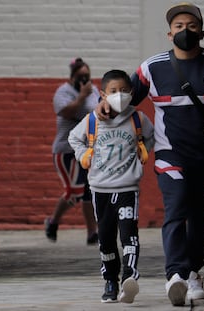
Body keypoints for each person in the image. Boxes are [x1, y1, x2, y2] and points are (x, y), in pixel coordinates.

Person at [95, 2, 204, 306]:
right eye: (179, 27)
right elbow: (124, 99)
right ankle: (175, 275)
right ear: (168, 33)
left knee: (201, 218)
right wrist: (105, 108)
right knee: (175, 210)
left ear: (201, 31)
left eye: (191, 26)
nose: (185, 31)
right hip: (169, 154)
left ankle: (193, 272)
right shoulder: (152, 67)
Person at [68, 69, 154, 303]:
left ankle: (129, 277)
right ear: (103, 95)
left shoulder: (138, 118)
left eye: (125, 91)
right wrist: (83, 153)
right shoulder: (93, 119)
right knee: (106, 239)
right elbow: (73, 138)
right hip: (100, 189)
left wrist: (144, 149)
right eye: (114, 91)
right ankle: (110, 281)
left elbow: (151, 136)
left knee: (129, 234)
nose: (120, 95)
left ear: (132, 92)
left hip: (127, 187)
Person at [45, 58, 98, 244]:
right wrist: (82, 96)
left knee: (88, 191)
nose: (84, 79)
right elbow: (66, 112)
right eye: (80, 76)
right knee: (74, 192)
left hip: (86, 150)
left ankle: (92, 233)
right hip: (66, 150)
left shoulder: (94, 90)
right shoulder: (63, 92)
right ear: (72, 76)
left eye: (87, 76)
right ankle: (52, 221)